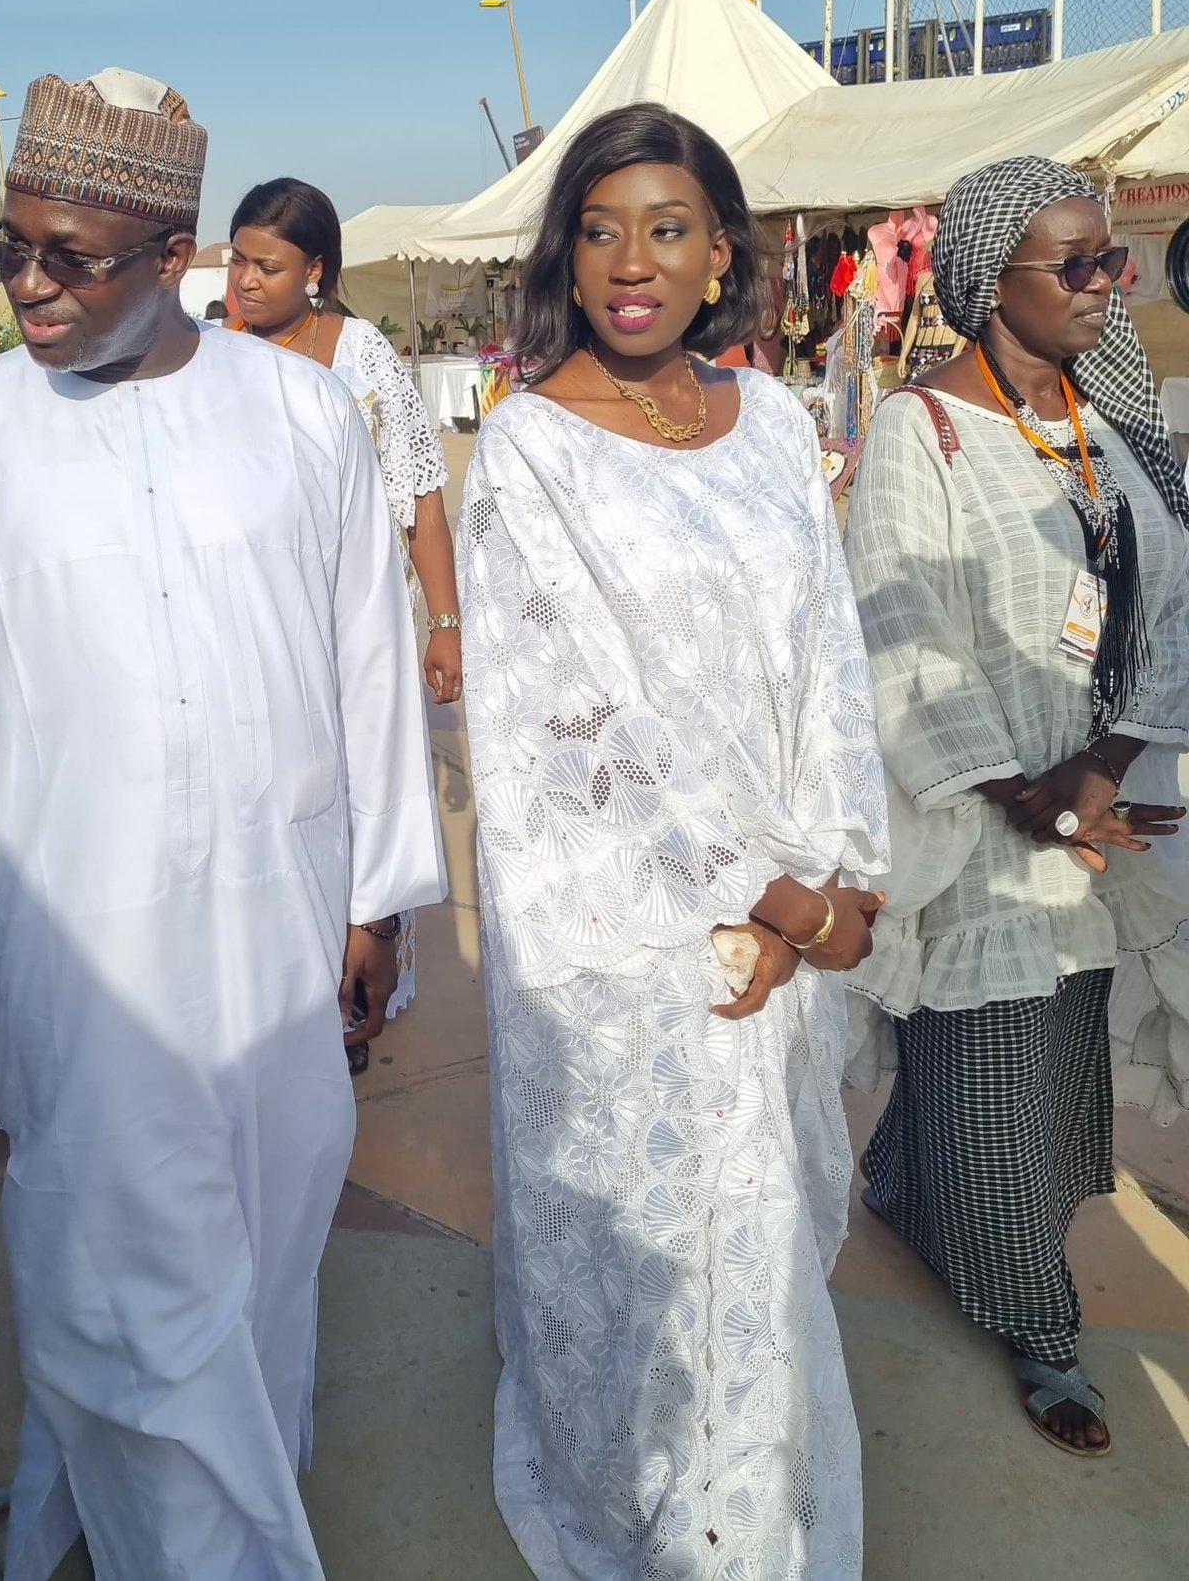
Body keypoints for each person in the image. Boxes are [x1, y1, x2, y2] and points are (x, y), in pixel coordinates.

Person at [0, 69, 446, 1581]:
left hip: (278, 921)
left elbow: (370, 662)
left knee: (266, 1251)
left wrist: (379, 898)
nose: (29, 284)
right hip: (76, 942)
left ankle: (155, 1512)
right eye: (13, 245)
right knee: (114, 1281)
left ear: (175, 253)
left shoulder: (301, 413)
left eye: (75, 257)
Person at [457, 102, 887, 1580]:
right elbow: (572, 721)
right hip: (634, 934)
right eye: (599, 230)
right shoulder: (527, 452)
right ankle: (672, 1532)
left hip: (791, 907)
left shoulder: (772, 423)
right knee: (653, 1261)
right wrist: (761, 897)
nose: (631, 262)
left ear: (721, 254)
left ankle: (757, 1528)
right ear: (564, 256)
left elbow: (827, 654)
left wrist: (841, 874)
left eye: (667, 229)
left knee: (757, 1252)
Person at [843, 155, 1189, 1458]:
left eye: (1115, 259)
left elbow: (1174, 598)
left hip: (1095, 812)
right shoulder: (919, 431)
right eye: (1080, 264)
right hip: (976, 822)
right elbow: (904, 636)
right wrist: (1031, 797)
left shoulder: (1106, 422)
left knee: (1046, 1074)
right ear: (994, 283)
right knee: (997, 1089)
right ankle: (1040, 1325)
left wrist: (1107, 765)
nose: (1110, 284)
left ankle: (899, 1180)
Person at [228, 176, 455, 1065]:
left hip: (357, 628)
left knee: (364, 795)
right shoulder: (216, 360)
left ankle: (356, 987)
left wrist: (445, 621)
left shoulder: (361, 356)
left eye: (267, 265)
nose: (245, 280)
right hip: (262, 631)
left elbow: (422, 497)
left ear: (316, 270)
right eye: (239, 261)